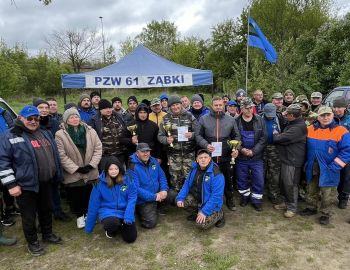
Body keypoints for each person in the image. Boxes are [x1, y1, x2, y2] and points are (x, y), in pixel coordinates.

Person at [0, 105, 63, 256]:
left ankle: (47, 235)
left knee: (46, 210)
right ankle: (32, 242)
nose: (34, 121)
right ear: (21, 118)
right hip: (25, 185)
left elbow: (54, 155)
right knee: (29, 216)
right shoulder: (10, 136)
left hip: (46, 181)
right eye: (30, 118)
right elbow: (3, 162)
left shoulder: (45, 133)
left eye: (36, 118)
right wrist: (11, 185)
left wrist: (57, 173)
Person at [301, 106, 350, 225]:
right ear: (318, 116)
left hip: (330, 167)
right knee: (311, 188)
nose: (325, 117)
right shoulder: (310, 129)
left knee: (327, 192)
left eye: (328, 115)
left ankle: (325, 213)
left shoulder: (341, 131)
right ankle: (311, 207)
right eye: (322, 115)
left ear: (333, 115)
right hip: (313, 165)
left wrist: (335, 166)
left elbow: (347, 151)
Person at [55, 108, 102, 229]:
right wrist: (76, 168)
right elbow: (61, 155)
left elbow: (98, 148)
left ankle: (88, 214)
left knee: (89, 193)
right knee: (76, 195)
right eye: (71, 117)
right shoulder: (60, 134)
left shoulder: (90, 130)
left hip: (90, 169)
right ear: (66, 120)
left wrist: (91, 165)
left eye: (76, 116)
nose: (75, 119)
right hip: (74, 172)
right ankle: (80, 216)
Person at [195, 96, 240, 211]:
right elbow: (198, 136)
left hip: (226, 155)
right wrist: (205, 145)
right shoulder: (203, 119)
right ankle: (207, 202)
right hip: (210, 156)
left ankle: (229, 198)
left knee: (228, 179)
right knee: (209, 180)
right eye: (216, 105)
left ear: (224, 105)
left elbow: (237, 136)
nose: (218, 107)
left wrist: (236, 149)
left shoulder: (231, 119)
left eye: (220, 105)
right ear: (212, 106)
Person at [85, 157, 137, 243]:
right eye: (111, 169)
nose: (113, 171)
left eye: (116, 168)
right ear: (106, 170)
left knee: (130, 238)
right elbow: (93, 205)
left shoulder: (128, 179)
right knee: (111, 223)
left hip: (124, 211)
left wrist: (128, 215)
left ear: (120, 169)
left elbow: (132, 198)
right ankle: (111, 230)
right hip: (108, 212)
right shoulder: (99, 183)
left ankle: (121, 224)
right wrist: (89, 227)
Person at [34, 98, 70, 222]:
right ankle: (42, 219)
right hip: (38, 162)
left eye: (46, 108)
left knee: (55, 188)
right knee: (40, 193)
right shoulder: (31, 123)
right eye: (41, 108)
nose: (44, 110)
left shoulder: (54, 123)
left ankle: (58, 211)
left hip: (54, 158)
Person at [176, 149, 225, 229]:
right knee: (180, 201)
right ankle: (197, 213)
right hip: (199, 199)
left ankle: (220, 214)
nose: (203, 159)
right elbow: (187, 184)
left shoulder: (216, 174)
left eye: (205, 157)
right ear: (197, 160)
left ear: (209, 159)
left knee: (201, 224)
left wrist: (204, 212)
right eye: (200, 157)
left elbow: (216, 196)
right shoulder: (194, 168)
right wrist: (180, 197)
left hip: (211, 202)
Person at [128, 143, 174, 229]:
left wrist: (164, 189)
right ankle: (139, 210)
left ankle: (158, 207)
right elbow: (136, 189)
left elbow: (162, 176)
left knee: (172, 195)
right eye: (143, 152)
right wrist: (153, 197)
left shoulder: (153, 161)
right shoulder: (132, 166)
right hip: (144, 199)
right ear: (137, 153)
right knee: (150, 223)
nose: (146, 154)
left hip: (158, 193)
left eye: (148, 151)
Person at [273, 104, 307, 218]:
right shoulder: (293, 123)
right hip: (287, 158)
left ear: (292, 115)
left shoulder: (298, 128)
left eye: (287, 114)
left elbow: (279, 139)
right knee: (283, 182)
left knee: (291, 184)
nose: (285, 116)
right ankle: (286, 202)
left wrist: (276, 134)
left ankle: (292, 207)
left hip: (293, 160)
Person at [158, 95, 197, 192]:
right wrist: (166, 140)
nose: (175, 107)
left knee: (189, 176)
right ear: (170, 106)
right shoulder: (165, 118)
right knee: (175, 177)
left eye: (177, 104)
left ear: (181, 104)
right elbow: (160, 136)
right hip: (173, 155)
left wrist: (192, 134)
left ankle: (189, 197)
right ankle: (176, 198)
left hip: (189, 153)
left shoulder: (190, 116)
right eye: (173, 105)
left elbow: (199, 132)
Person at [235, 97, 267, 211]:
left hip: (256, 156)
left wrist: (253, 151)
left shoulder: (259, 120)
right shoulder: (236, 121)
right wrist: (242, 149)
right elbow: (233, 138)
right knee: (241, 178)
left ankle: (256, 200)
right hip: (241, 156)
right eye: (246, 108)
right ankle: (245, 196)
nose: (249, 110)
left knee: (258, 178)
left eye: (251, 108)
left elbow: (263, 138)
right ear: (241, 109)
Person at [89, 99, 131, 168]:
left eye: (109, 108)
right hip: (105, 156)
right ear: (100, 110)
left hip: (120, 154)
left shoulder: (118, 117)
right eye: (105, 108)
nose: (108, 110)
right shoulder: (94, 121)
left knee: (120, 175)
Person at [261, 103, 283, 205]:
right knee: (260, 172)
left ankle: (274, 195)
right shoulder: (259, 118)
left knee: (274, 173)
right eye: (268, 114)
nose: (270, 116)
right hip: (261, 148)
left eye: (272, 114)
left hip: (275, 149)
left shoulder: (279, 118)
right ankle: (258, 194)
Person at [332, 97, 350, 209]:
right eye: (335, 107)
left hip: (346, 152)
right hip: (333, 151)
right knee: (335, 173)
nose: (337, 110)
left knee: (346, 176)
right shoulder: (331, 118)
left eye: (339, 107)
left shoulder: (348, 120)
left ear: (345, 107)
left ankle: (343, 197)